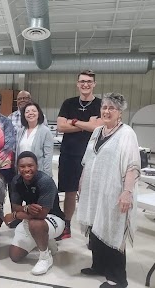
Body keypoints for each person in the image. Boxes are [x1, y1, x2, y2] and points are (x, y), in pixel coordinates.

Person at [77, 93, 140, 288]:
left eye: (111, 108)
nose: (106, 111)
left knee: (113, 229)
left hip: (115, 192)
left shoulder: (126, 133)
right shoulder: (97, 132)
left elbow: (132, 165)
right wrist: (81, 182)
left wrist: (127, 192)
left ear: (120, 112)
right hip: (95, 191)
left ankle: (117, 278)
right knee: (96, 227)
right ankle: (99, 266)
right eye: (104, 107)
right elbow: (88, 159)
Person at [56, 69, 102, 240]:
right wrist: (86, 124)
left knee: (90, 192)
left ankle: (93, 231)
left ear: (94, 84)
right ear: (77, 84)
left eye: (89, 81)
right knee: (70, 192)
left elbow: (99, 127)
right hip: (69, 154)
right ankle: (66, 226)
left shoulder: (100, 104)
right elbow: (61, 126)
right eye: (82, 81)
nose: (85, 84)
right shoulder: (68, 103)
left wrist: (73, 122)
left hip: (92, 155)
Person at [5, 151, 64, 276]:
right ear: (17, 167)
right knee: (15, 256)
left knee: (36, 224)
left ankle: (45, 257)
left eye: (30, 165)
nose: (26, 169)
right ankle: (46, 240)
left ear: (37, 166)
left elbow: (41, 214)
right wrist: (25, 208)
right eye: (22, 166)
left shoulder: (45, 181)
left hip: (53, 218)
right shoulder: (16, 181)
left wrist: (16, 215)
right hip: (31, 217)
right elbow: (15, 206)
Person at [15, 102, 54, 177]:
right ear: (24, 115)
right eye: (27, 112)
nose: (30, 113)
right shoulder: (20, 131)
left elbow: (48, 156)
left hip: (39, 173)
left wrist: (46, 176)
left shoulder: (45, 131)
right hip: (23, 173)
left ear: (39, 113)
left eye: (34, 111)